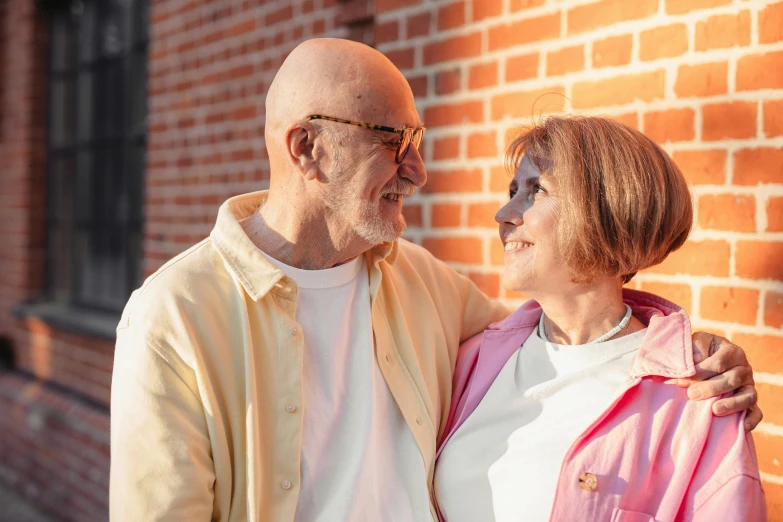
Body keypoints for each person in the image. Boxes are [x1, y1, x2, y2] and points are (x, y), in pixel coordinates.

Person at [110, 39, 761, 522]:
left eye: (416, 141)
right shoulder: (175, 315)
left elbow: (582, 329)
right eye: (393, 140)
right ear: (306, 149)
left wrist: (699, 354)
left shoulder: (427, 287)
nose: (418, 171)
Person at [434, 116, 766, 521]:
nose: (504, 213)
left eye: (536, 190)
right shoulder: (472, 362)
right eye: (513, 190)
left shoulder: (697, 399)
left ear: (608, 212)